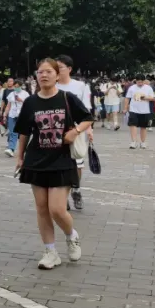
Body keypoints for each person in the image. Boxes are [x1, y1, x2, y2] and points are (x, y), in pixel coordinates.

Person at [13, 58, 93, 270]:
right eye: (40, 72)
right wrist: (20, 156)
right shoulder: (31, 102)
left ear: (57, 75)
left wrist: (76, 131)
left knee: (57, 209)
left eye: (48, 71)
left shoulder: (67, 97)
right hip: (36, 160)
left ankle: (71, 235)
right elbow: (24, 132)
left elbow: (88, 118)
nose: (44, 75)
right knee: (42, 208)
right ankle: (50, 252)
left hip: (62, 160)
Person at [55, 55, 93, 211]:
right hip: (56, 130)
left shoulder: (80, 86)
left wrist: (88, 129)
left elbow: (86, 110)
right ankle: (62, 196)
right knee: (58, 164)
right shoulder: (52, 86)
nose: (57, 70)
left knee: (77, 162)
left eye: (60, 67)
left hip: (76, 130)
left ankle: (76, 189)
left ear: (69, 69)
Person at [124, 75, 155, 149]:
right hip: (133, 110)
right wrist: (125, 108)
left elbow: (153, 98)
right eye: (138, 82)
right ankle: (133, 142)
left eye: (141, 82)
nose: (140, 83)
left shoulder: (148, 88)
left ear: (144, 81)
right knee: (133, 125)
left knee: (143, 127)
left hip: (145, 110)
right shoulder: (132, 88)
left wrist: (145, 97)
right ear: (136, 81)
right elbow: (127, 98)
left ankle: (143, 142)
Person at [3, 79, 27, 157]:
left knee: (23, 133)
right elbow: (8, 105)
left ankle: (24, 149)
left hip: (22, 115)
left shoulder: (25, 94)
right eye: (15, 86)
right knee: (12, 132)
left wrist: (21, 100)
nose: (16, 88)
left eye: (18, 86)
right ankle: (11, 149)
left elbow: (28, 105)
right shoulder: (11, 94)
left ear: (21, 86)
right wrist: (5, 114)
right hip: (12, 115)